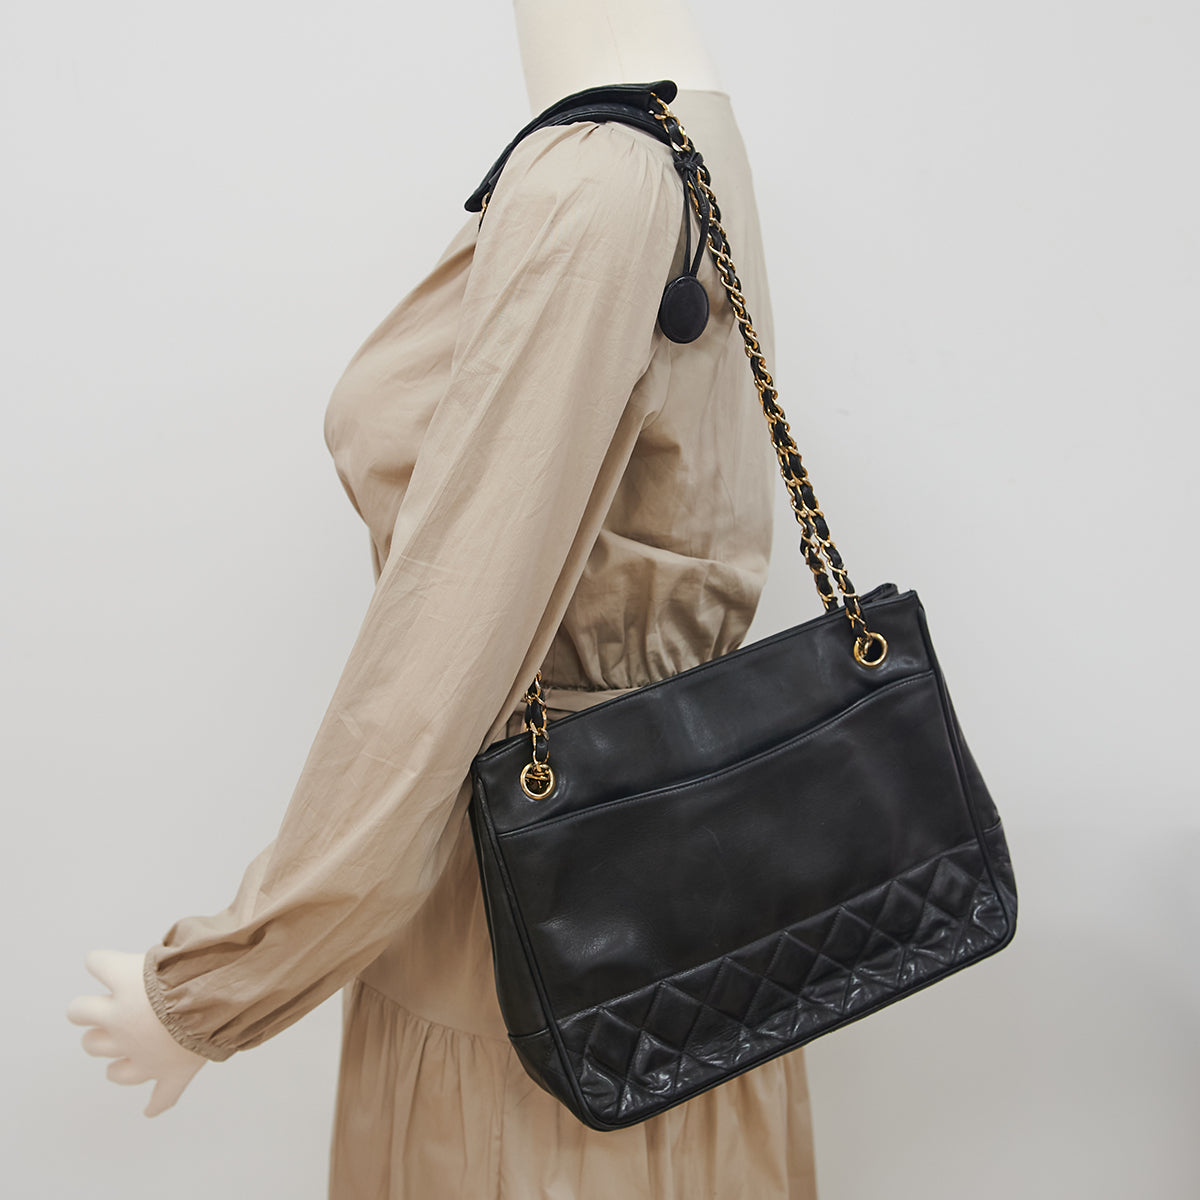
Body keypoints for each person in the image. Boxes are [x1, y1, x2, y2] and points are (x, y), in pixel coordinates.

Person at [66, 2, 821, 1195]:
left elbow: (450, 635)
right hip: (656, 908)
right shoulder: (682, 131)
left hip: (533, 937)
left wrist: (220, 986)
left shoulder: (600, 183)